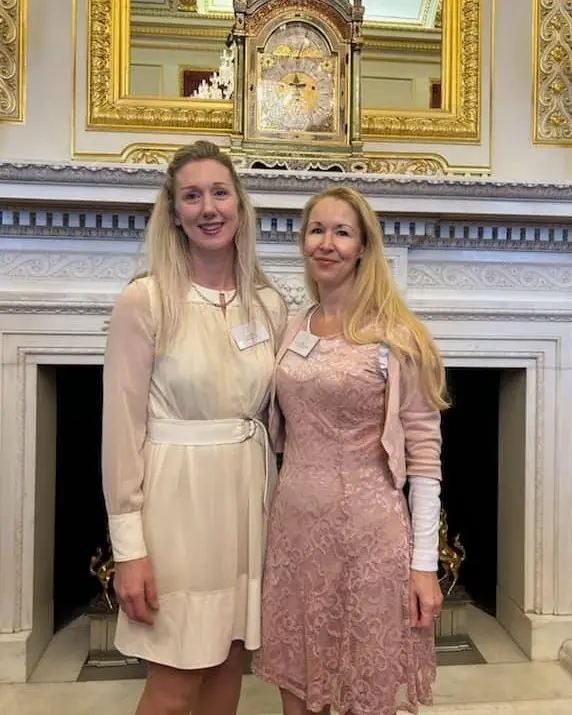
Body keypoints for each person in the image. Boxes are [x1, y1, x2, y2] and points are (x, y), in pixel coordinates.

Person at [101, 140, 287, 715]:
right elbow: (120, 430)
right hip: (176, 507)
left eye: (220, 192)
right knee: (176, 685)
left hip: (248, 504)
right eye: (192, 195)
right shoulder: (147, 300)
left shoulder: (268, 306)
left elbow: (281, 417)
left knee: (229, 669)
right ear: (175, 212)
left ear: (239, 204)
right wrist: (128, 550)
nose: (209, 207)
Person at [253, 187, 448, 715]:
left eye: (342, 232)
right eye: (317, 230)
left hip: (370, 538)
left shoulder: (398, 338)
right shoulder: (292, 329)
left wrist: (423, 564)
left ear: (363, 246)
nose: (327, 243)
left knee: (365, 691)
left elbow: (425, 459)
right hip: (295, 535)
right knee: (298, 688)